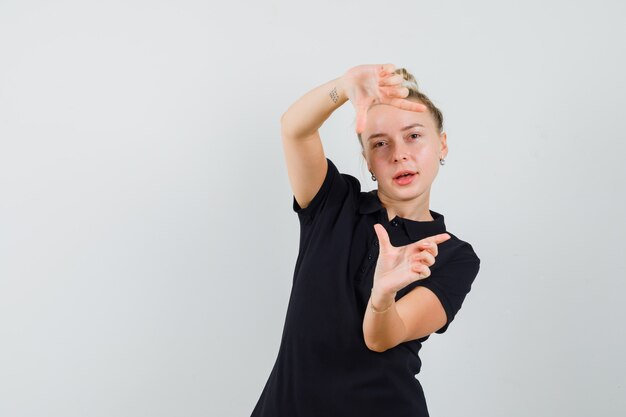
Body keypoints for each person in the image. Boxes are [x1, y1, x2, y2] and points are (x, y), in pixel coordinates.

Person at [251, 64, 480, 417]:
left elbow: (381, 337)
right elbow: (294, 129)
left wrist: (383, 294)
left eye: (414, 136)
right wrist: (343, 87)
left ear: (442, 145)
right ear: (368, 161)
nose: (399, 153)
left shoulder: (451, 254)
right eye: (380, 143)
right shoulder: (332, 202)